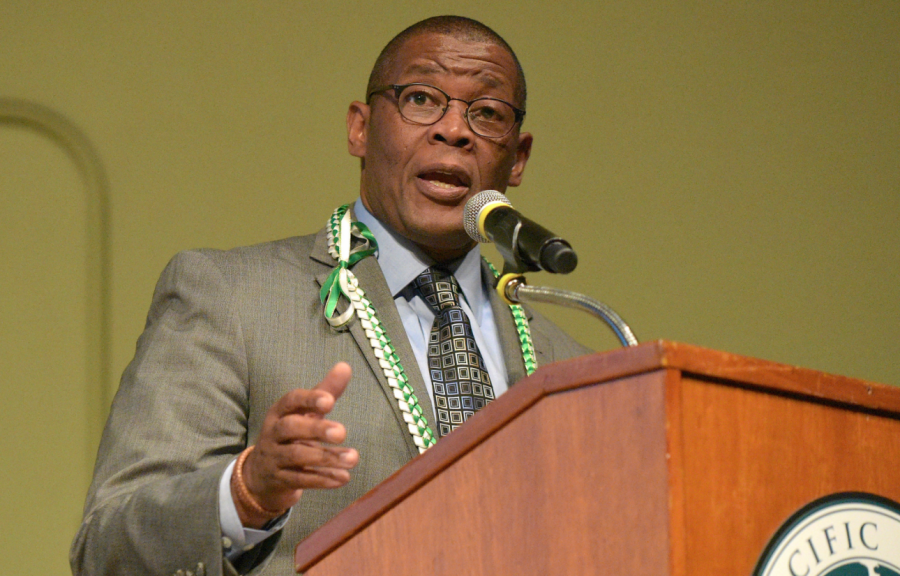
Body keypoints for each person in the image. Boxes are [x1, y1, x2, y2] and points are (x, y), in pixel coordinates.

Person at [70, 15, 591, 576]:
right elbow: (107, 550)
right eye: (421, 99)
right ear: (360, 129)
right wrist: (246, 493)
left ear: (517, 158)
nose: (454, 131)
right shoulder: (230, 298)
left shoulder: (575, 365)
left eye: (487, 114)